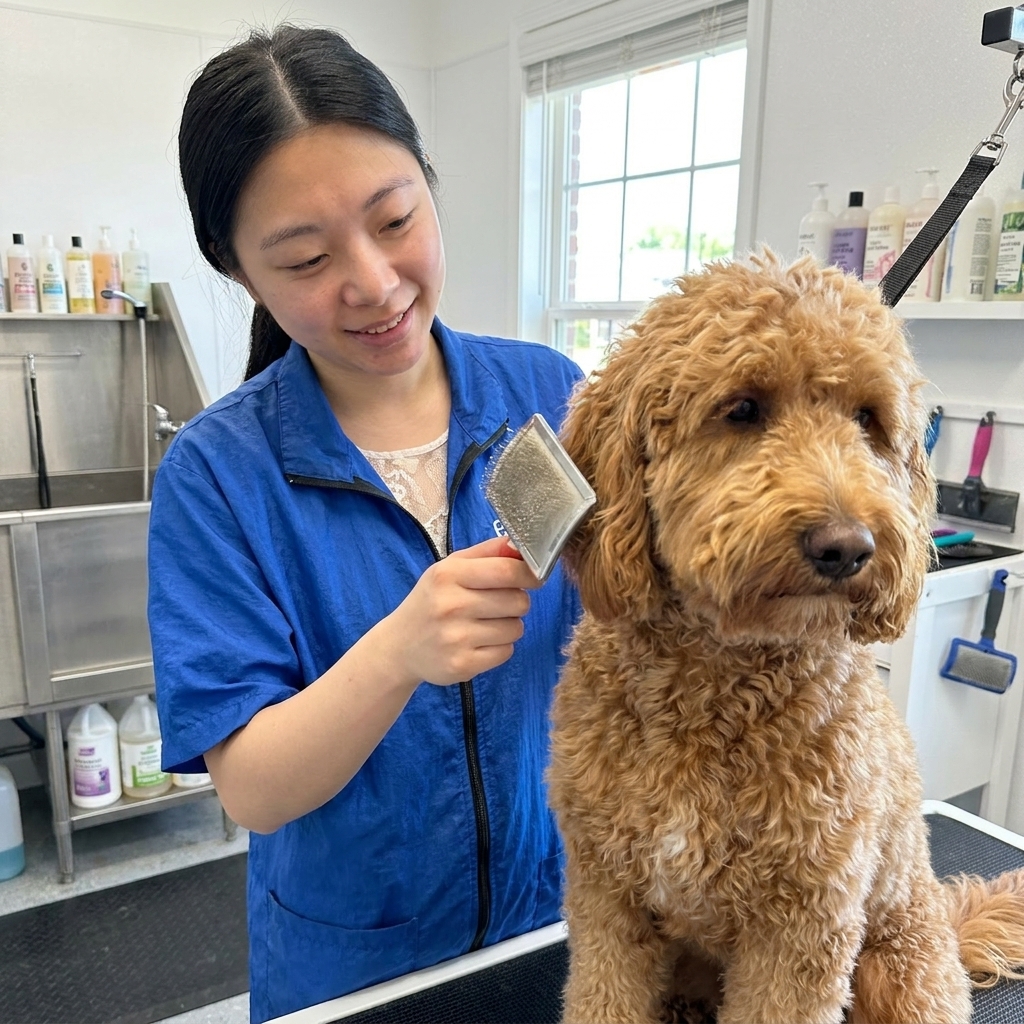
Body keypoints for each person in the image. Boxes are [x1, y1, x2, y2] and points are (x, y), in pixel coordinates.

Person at [149, 23, 584, 1023]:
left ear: (429, 183)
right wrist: (397, 651)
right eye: (304, 257)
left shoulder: (548, 401)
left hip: (561, 923)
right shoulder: (219, 478)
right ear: (238, 270)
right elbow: (252, 788)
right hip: (352, 971)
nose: (375, 284)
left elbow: (630, 618)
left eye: (395, 220)